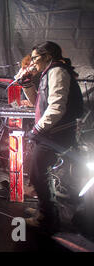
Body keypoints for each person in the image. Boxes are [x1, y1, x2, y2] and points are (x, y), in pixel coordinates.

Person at [17, 41, 84, 233]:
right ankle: (46, 210)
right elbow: (36, 102)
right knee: (40, 173)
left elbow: (56, 107)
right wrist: (26, 83)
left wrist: (37, 130)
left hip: (56, 134)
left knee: (38, 174)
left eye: (36, 58)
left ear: (48, 57)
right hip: (53, 133)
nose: (33, 63)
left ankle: (47, 218)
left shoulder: (57, 71)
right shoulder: (49, 72)